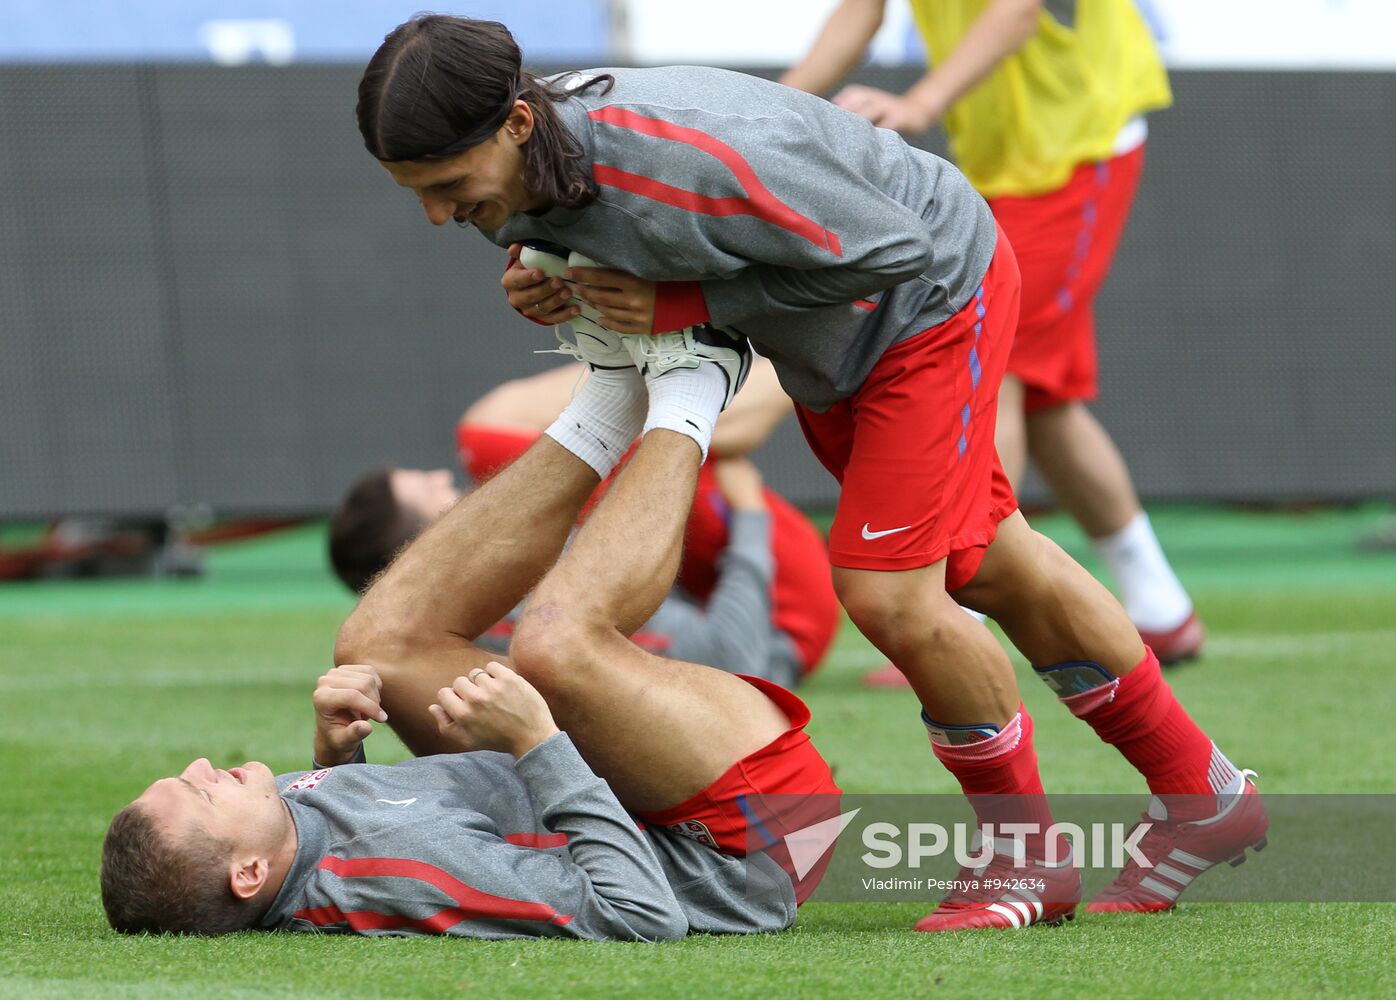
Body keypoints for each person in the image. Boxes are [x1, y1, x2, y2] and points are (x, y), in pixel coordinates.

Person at [352, 14, 1267, 930]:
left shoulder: (684, 156)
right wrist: (538, 275)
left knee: (890, 596)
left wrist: (692, 299)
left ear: (518, 122)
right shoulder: (525, 160)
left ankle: (1026, 858)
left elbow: (898, 246)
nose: (437, 214)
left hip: (928, 303)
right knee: (989, 562)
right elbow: (586, 236)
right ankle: (1204, 793)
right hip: (833, 342)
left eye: (448, 187)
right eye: (417, 193)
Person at [99, 355, 842, 939]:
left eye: (183, 776)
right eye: (201, 793)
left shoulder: (278, 824)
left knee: (371, 647)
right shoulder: (399, 872)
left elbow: (381, 812)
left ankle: (614, 385)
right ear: (248, 876)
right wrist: (537, 742)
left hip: (652, 798)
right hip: (755, 841)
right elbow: (640, 913)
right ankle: (693, 382)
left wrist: (339, 757)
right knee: (553, 649)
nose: (201, 767)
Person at [782, 0, 1203, 666]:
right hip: (1003, 160)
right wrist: (769, 115)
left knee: (988, 371)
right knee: (1044, 400)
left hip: (1077, 142)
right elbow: (861, 10)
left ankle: (961, 619)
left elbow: (1017, 10)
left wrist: (920, 103)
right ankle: (1162, 608)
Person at [327, 359, 839, 686]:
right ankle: (758, 363)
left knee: (496, 434)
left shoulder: (457, 625)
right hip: (780, 624)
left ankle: (669, 363)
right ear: (426, 543)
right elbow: (733, 655)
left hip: (726, 595)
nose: (446, 478)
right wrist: (748, 515)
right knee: (486, 434)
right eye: (432, 490)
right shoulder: (527, 595)